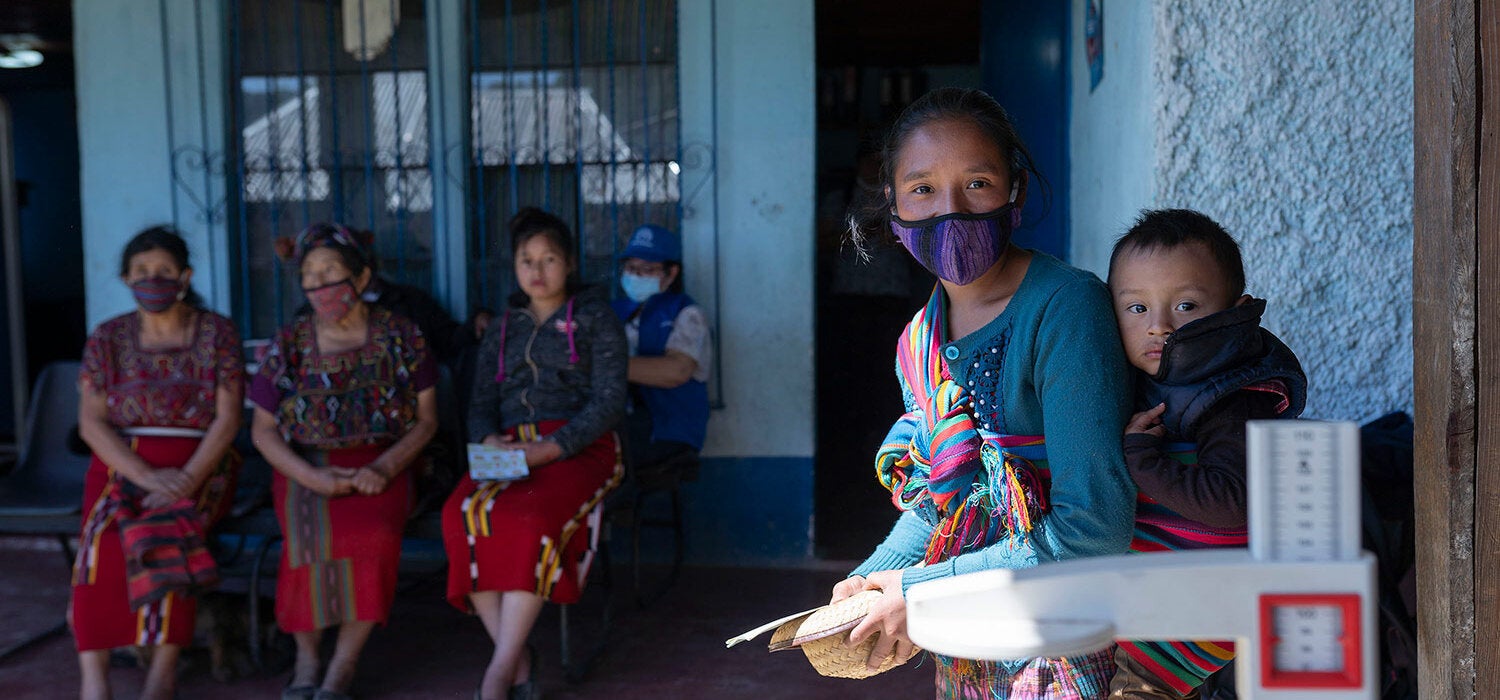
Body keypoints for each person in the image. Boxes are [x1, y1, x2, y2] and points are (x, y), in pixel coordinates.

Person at [832, 87, 1136, 697]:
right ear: (893, 210)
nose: (952, 210)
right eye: (922, 189)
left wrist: (919, 591)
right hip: (968, 647)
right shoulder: (917, 343)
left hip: (1063, 643)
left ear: (1015, 190)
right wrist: (874, 578)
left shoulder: (1064, 309)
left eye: (977, 183)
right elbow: (943, 500)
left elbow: (1093, 532)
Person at [1105, 209, 1307, 699]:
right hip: (1155, 590)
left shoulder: (1233, 396)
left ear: (1234, 312)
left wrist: (1142, 460)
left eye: (1187, 305)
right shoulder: (1137, 384)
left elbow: (1230, 503)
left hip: (1209, 598)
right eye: (1136, 308)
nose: (1159, 326)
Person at [443, 207, 627, 700]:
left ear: (568, 264)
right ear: (515, 268)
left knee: (528, 519)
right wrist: (488, 441)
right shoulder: (503, 326)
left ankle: (498, 673)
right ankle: (519, 660)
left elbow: (609, 402)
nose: (538, 271)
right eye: (527, 260)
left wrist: (549, 448)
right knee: (462, 514)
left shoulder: (594, 318)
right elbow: (479, 402)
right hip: (506, 450)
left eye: (549, 259)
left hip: (579, 448)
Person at [250, 222, 438, 700]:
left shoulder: (402, 334)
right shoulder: (288, 343)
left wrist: (385, 468)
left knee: (372, 537)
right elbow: (264, 432)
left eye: (330, 271)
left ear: (361, 278)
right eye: (309, 275)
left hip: (384, 462)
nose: (319, 285)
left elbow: (427, 421)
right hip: (304, 465)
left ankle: (343, 666)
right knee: (305, 543)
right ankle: (308, 660)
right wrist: (312, 475)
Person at [71, 226, 244, 700]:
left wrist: (185, 480)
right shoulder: (107, 337)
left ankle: (161, 678)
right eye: (143, 272)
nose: (154, 280)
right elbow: (92, 424)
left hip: (201, 465)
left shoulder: (216, 333)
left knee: (166, 534)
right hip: (121, 465)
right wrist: (145, 476)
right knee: (98, 550)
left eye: (165, 271)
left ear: (185, 276)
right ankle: (95, 682)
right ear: (126, 277)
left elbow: (227, 420)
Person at [612, 224, 712, 468]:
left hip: (668, 429)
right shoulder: (615, 312)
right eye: (631, 268)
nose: (636, 276)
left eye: (648, 270)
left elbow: (676, 371)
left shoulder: (687, 314)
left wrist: (607, 366)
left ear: (671, 273)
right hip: (625, 422)